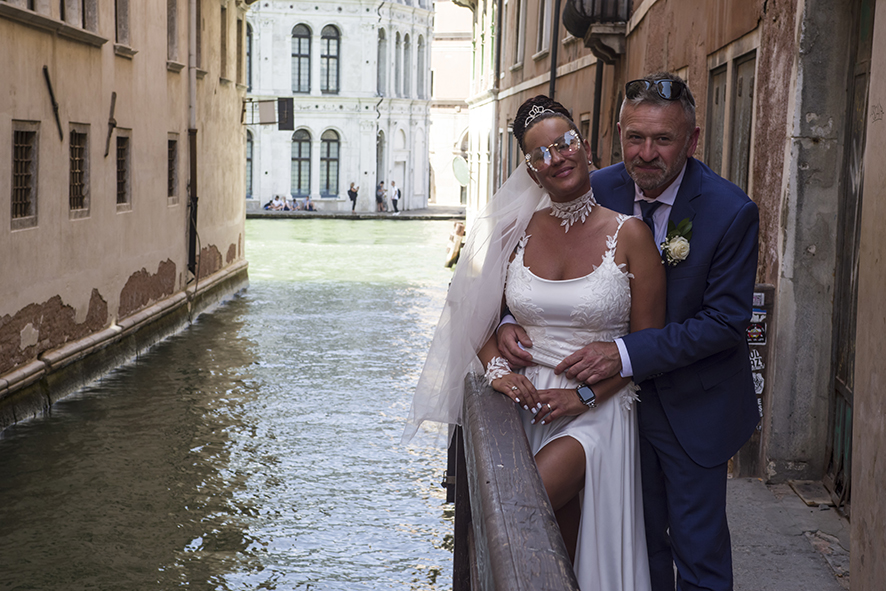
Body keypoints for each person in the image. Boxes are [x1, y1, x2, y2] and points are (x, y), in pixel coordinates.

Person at [498, 74, 760, 591]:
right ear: (617, 135)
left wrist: (620, 354)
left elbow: (723, 323)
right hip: (614, 415)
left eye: (663, 139)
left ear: (692, 139)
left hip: (692, 408)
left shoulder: (731, 212)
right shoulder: (595, 183)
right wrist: (512, 321)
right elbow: (546, 270)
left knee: (699, 555)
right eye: (634, 137)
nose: (646, 153)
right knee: (639, 550)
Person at [404, 95, 666, 590]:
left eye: (565, 143)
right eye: (541, 153)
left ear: (584, 147)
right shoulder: (514, 232)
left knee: (521, 502)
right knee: (557, 542)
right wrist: (499, 369)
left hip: (601, 410)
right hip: (528, 404)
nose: (557, 157)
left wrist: (584, 395)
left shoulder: (631, 236)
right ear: (531, 169)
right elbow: (468, 311)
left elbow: (647, 351)